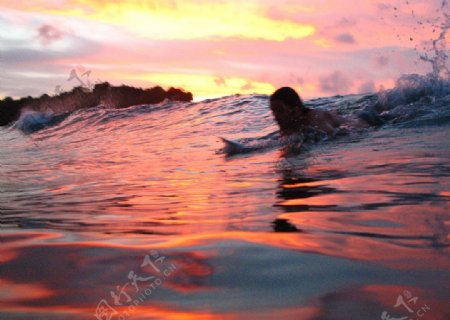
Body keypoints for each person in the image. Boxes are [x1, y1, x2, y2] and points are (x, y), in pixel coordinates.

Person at [269, 87, 372, 137]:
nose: (276, 117)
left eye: (280, 111)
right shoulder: (289, 126)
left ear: (296, 109)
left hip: (367, 123)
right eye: (273, 112)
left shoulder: (316, 119)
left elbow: (332, 135)